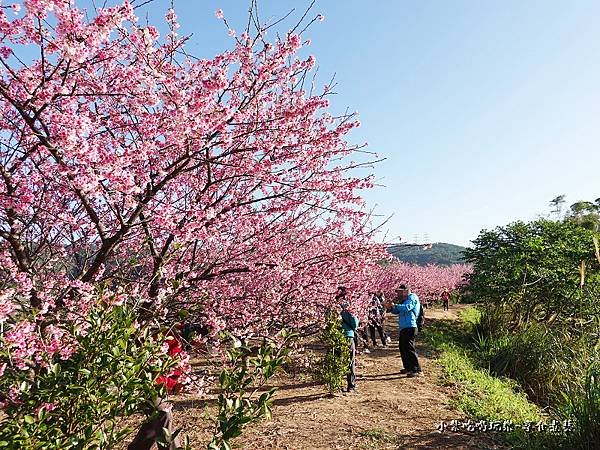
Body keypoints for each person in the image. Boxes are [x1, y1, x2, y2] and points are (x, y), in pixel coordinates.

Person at [384, 284, 423, 377]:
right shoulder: (404, 300)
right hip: (404, 327)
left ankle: (417, 369)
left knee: (409, 348)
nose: (399, 294)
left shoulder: (412, 297)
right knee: (403, 347)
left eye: (400, 291)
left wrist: (395, 305)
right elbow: (397, 311)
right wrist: (391, 308)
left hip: (411, 326)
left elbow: (407, 307)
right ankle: (408, 367)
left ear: (406, 290)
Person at [337, 286, 360, 392]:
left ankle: (336, 384)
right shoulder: (348, 307)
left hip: (335, 336)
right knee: (350, 361)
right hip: (347, 336)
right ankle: (351, 385)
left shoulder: (331, 306)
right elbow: (354, 324)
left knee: (337, 360)